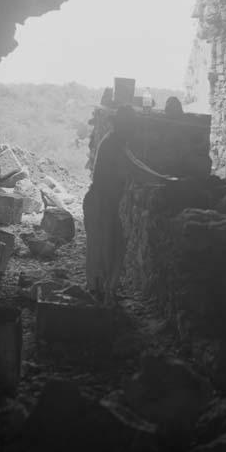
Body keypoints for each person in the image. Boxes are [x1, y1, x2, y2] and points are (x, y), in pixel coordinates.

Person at [83, 105, 176, 306]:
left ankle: (105, 291)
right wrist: (166, 180)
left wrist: (162, 178)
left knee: (113, 246)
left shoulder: (118, 142)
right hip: (99, 202)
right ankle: (98, 296)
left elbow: (136, 163)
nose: (133, 130)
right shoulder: (113, 143)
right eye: (130, 126)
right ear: (123, 126)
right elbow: (135, 169)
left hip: (105, 203)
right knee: (102, 250)